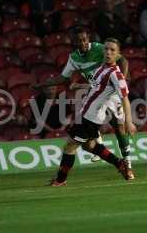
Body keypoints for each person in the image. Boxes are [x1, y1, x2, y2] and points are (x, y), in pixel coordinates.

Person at [33, 26, 134, 175]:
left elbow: (123, 60)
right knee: (88, 119)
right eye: (79, 41)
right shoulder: (74, 58)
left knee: (119, 128)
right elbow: (63, 77)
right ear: (73, 42)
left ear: (89, 38)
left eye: (85, 40)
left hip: (112, 94)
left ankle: (127, 164)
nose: (83, 43)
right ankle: (98, 146)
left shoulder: (101, 48)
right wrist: (43, 84)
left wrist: (122, 79)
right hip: (96, 91)